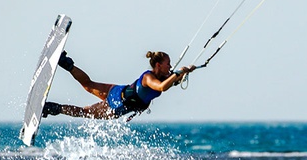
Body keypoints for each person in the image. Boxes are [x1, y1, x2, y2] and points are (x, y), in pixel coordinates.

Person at [42, 50, 194, 120]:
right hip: (116, 105)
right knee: (85, 112)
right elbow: (161, 87)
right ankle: (54, 108)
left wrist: (186, 72)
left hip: (117, 91)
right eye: (168, 64)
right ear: (159, 65)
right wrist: (178, 73)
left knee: (89, 85)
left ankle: (66, 64)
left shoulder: (163, 76)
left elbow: (171, 82)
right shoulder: (149, 78)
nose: (170, 66)